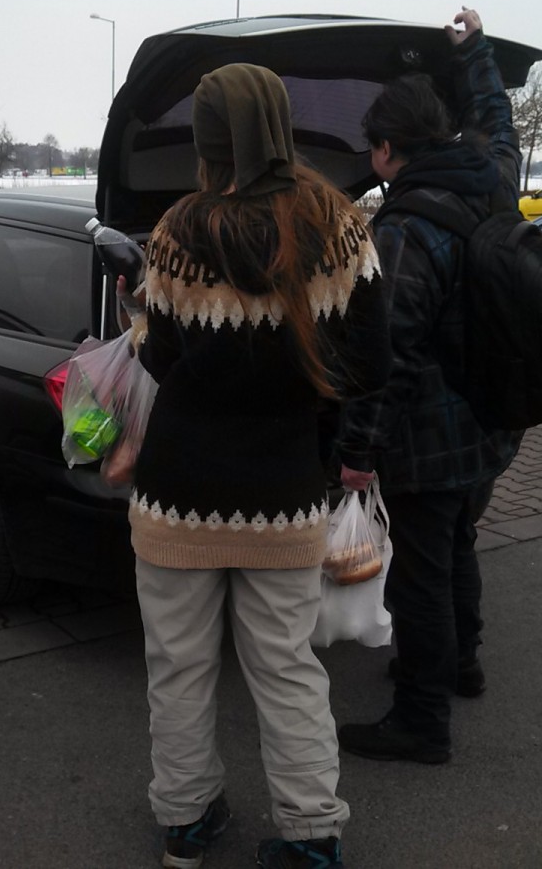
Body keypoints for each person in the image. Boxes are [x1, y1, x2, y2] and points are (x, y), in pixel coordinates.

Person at [124, 62, 389, 869]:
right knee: (287, 669)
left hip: (176, 494)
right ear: (280, 122)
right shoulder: (341, 230)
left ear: (206, 139)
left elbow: (158, 357)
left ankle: (186, 823)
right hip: (284, 491)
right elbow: (370, 363)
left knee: (178, 668)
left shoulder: (175, 233)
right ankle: (311, 835)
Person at [336, 8, 524, 765]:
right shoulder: (491, 178)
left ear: (388, 150)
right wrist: (474, 51)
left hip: (431, 436)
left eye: (373, 148)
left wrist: (357, 452)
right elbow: (498, 120)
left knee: (419, 572)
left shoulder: (405, 228)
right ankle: (462, 664)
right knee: (457, 543)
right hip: (491, 416)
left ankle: (420, 719)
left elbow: (388, 355)